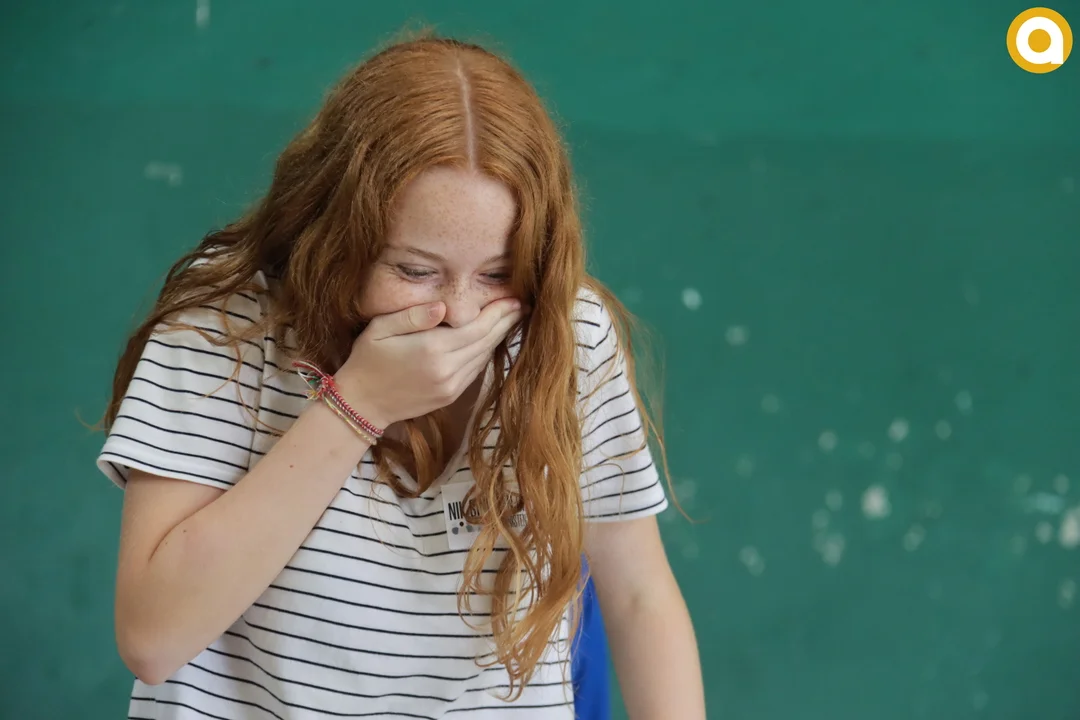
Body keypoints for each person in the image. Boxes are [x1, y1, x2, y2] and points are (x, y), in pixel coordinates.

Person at [97, 33, 705, 719]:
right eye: (415, 271)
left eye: (498, 274)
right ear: (333, 237)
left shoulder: (567, 330)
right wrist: (356, 405)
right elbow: (152, 638)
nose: (460, 313)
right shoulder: (224, 322)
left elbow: (639, 598)